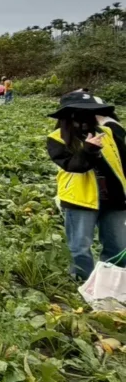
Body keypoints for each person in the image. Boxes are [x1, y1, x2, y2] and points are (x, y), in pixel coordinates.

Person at [46, 92, 126, 281]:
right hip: (80, 198)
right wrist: (88, 150)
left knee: (118, 245)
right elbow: (75, 166)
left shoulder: (107, 133)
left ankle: (112, 281)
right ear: (69, 116)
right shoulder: (57, 138)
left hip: (114, 197)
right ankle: (83, 282)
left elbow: (122, 161)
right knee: (80, 246)